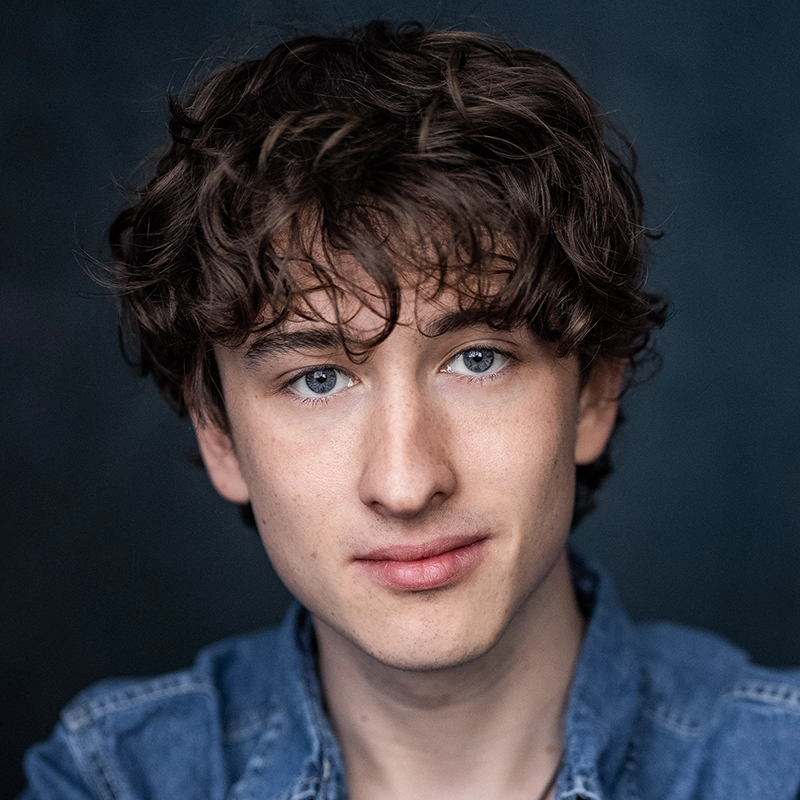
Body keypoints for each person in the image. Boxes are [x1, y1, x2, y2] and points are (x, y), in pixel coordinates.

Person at [20, 20, 800, 800]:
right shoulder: (111, 779)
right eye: (318, 379)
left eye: (478, 359)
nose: (406, 482)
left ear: (594, 393)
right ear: (218, 435)